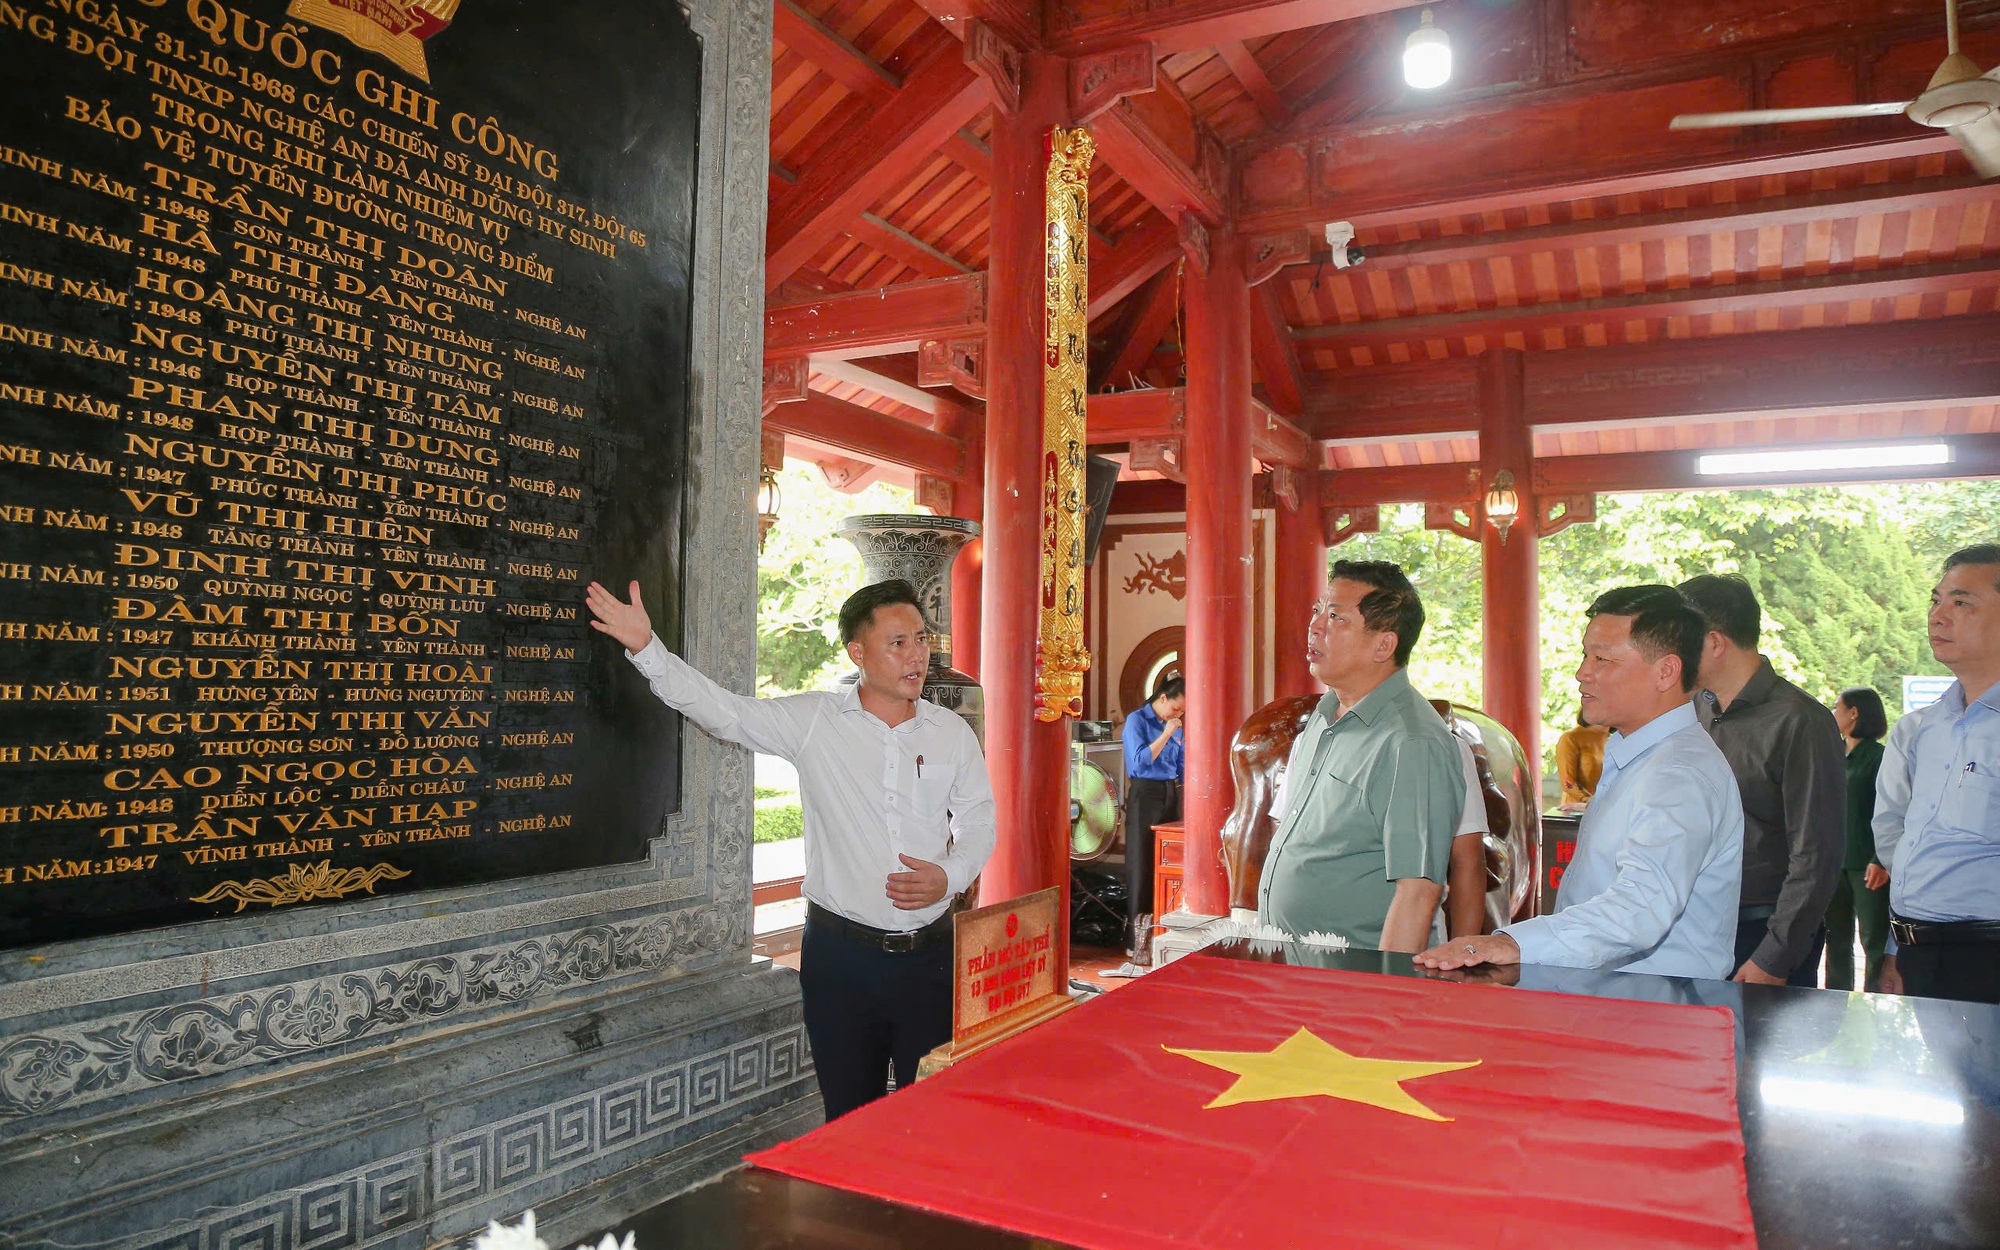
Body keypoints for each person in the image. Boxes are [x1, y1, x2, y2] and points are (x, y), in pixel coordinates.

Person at [585, 577, 995, 1119]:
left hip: (932, 958)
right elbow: (723, 711)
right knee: (849, 1116)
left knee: (934, 1116)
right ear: (858, 651)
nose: (916, 655)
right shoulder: (814, 721)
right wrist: (648, 649)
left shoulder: (950, 733)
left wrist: (951, 873)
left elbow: (978, 817)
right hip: (841, 960)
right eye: (898, 643)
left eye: (920, 639)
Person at [1416, 586, 1743, 980]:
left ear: (1666, 672)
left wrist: (1514, 943)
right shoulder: (1640, 754)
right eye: (1586, 655)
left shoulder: (1678, 774)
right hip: (1623, 1001)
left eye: (1602, 658)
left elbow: (1640, 907)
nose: (1582, 673)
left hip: (1657, 1010)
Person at [1257, 560, 1463, 952]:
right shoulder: (1323, 718)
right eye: (1318, 610)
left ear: (1384, 645)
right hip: (1296, 969)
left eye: (1336, 617)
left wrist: (1381, 998)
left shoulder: (1411, 743)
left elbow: (1418, 892)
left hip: (1354, 984)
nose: (1316, 626)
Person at [1677, 573, 1844, 987]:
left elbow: (1817, 853)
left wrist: (1775, 955)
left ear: (1714, 643)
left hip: (1759, 932)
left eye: (1679, 640)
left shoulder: (1800, 720)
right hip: (1686, 927)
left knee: (1754, 1052)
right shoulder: (1687, 711)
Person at [1873, 544, 2000, 1005]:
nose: (1937, 616)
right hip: (1921, 955)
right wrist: (1896, 948)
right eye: (1936, 600)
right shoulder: (1925, 728)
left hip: (1986, 957)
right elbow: (1907, 844)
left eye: (1961, 602)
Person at [1823, 686, 1890, 992]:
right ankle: (1834, 1006)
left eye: (1837, 708)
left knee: (1873, 941)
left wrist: (1881, 859)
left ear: (1854, 714)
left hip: (1867, 863)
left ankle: (1877, 1003)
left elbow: (1891, 811)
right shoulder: (1831, 753)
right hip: (1833, 863)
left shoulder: (1879, 757)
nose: (1833, 714)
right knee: (1835, 938)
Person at [1122, 675, 1185, 953]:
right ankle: (1136, 943)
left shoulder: (1176, 724)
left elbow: (1181, 763)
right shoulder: (1137, 720)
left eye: (1182, 711)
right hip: (1145, 794)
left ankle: (1163, 933)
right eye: (1175, 709)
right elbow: (1138, 762)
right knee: (1141, 864)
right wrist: (1167, 733)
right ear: (1162, 699)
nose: (1178, 715)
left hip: (1170, 792)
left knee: (1168, 861)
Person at [1554, 714, 1609, 809]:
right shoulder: (1571, 738)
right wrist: (1588, 800)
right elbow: (1568, 782)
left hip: (1608, 809)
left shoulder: (1617, 739)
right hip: (1577, 811)